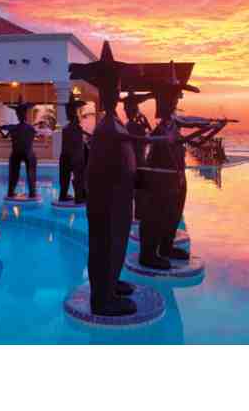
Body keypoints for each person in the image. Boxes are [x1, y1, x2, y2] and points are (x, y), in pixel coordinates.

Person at [69, 41, 174, 316]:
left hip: (119, 196)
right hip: (109, 201)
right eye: (111, 89)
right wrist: (161, 139)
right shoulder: (108, 126)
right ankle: (102, 300)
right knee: (106, 243)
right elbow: (132, 141)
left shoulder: (113, 122)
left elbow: (126, 151)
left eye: (115, 88)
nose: (115, 93)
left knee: (116, 243)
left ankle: (111, 283)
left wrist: (136, 178)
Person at [139, 63, 228, 269]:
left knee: (173, 213)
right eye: (170, 97)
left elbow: (191, 122)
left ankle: (166, 247)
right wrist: (208, 125)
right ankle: (148, 254)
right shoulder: (162, 128)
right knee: (156, 215)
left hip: (175, 179)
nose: (175, 101)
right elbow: (186, 127)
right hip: (161, 180)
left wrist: (211, 124)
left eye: (175, 97)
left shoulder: (173, 123)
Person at [121, 91, 154, 221]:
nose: (126, 111)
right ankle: (138, 217)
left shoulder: (128, 126)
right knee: (139, 194)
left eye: (127, 109)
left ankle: (134, 217)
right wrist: (146, 125)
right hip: (138, 164)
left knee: (134, 194)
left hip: (131, 164)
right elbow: (149, 139)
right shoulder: (134, 126)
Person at [0, 96, 38, 198]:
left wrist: (5, 135)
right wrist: (7, 134)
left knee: (14, 172)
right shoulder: (30, 128)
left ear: (17, 115)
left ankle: (11, 192)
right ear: (25, 114)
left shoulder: (13, 127)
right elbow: (34, 135)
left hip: (16, 153)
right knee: (31, 170)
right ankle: (32, 192)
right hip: (28, 152)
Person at [58, 91, 92, 204]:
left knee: (66, 176)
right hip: (75, 155)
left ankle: (64, 195)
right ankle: (78, 197)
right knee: (78, 175)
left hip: (66, 155)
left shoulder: (68, 128)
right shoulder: (74, 127)